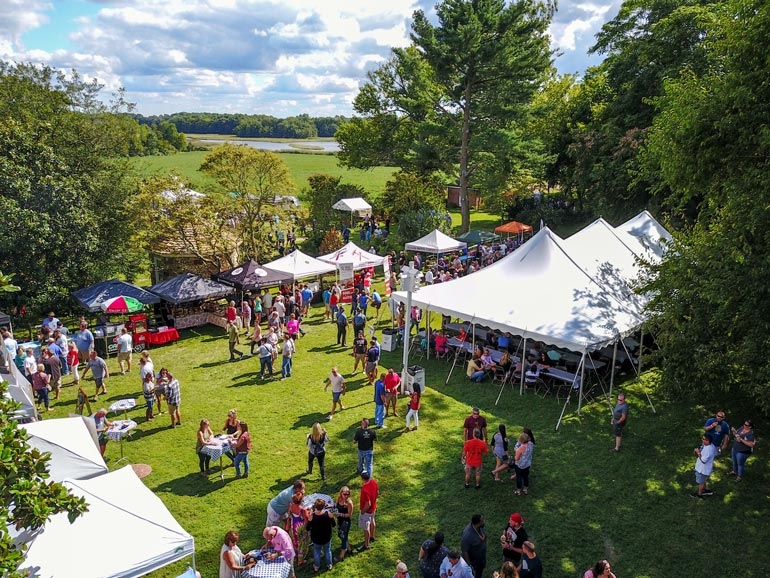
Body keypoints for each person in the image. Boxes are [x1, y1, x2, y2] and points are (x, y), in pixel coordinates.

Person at [306, 498, 336, 572]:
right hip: (327, 537)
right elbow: (334, 524)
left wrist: (309, 519)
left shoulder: (312, 516)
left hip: (316, 539)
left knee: (317, 552)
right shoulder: (328, 514)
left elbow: (307, 528)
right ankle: (329, 565)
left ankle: (316, 566)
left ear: (315, 507)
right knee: (327, 551)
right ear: (324, 506)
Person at [285, 492, 310, 566]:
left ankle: (294, 556)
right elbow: (306, 520)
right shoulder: (302, 510)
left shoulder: (291, 506)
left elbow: (289, 515)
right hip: (300, 528)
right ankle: (300, 560)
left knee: (295, 541)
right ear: (301, 500)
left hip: (293, 525)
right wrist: (309, 512)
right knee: (302, 544)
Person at [357, 469, 379, 551]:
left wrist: (363, 511)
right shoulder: (373, 482)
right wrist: (374, 501)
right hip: (373, 508)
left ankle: (366, 545)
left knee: (366, 528)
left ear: (362, 478)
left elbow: (368, 503)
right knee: (372, 521)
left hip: (367, 511)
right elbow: (377, 492)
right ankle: (372, 537)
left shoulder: (364, 489)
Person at [460, 514, 487, 578]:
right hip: (474, 563)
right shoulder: (467, 535)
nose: (484, 521)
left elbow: (485, 536)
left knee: (479, 573)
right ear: (478, 523)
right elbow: (464, 551)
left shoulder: (480, 527)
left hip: (481, 559)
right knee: (476, 575)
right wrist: (469, 566)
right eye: (482, 521)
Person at [334, 486, 354, 562]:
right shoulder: (339, 499)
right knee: (340, 535)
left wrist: (340, 514)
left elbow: (350, 514)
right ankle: (349, 549)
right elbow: (336, 507)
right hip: (339, 521)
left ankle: (341, 556)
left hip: (346, 522)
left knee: (343, 538)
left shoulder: (349, 502)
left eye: (347, 494)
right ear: (341, 493)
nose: (346, 496)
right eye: (344, 494)